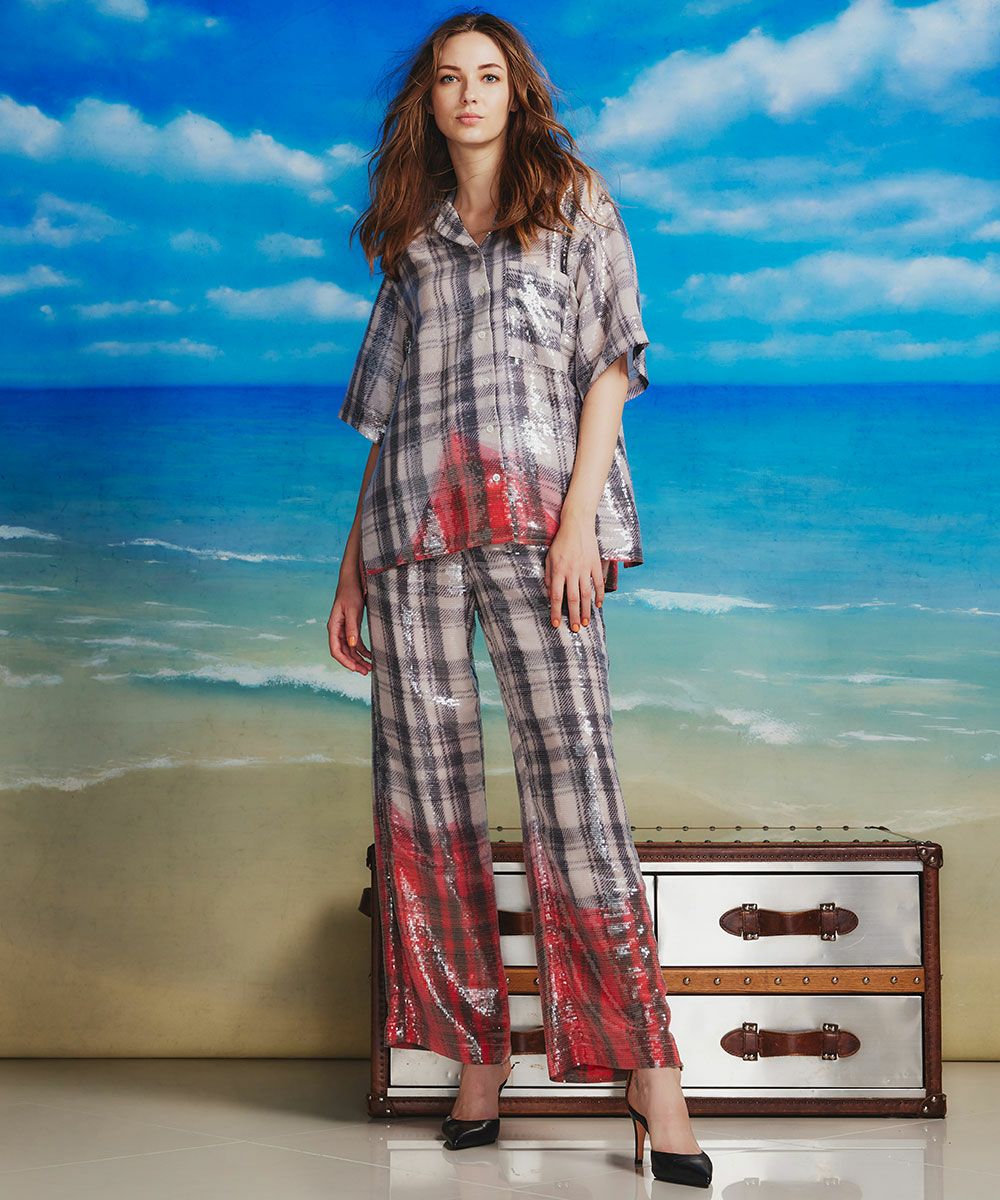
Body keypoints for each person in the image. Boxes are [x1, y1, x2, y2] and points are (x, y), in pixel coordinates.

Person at [328, 12, 711, 1189]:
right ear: (429, 102)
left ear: (515, 91)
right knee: (428, 803)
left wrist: (579, 520)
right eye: (449, 78)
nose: (468, 94)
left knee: (577, 792)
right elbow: (388, 417)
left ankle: (650, 1074)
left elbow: (611, 366)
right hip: (414, 538)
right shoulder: (413, 235)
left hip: (544, 528)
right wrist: (349, 569)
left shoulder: (574, 199)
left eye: (487, 75)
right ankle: (476, 1056)